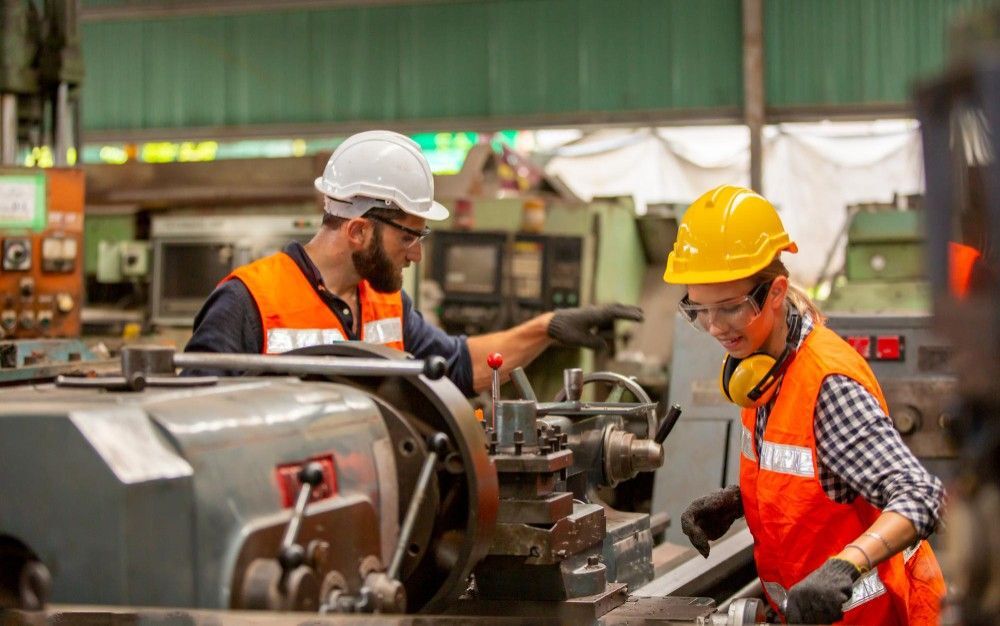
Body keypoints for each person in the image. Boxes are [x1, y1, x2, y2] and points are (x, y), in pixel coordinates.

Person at [663, 185, 946, 625]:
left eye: (731, 308)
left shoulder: (826, 382)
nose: (715, 327)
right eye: (698, 311)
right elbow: (813, 472)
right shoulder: (755, 371)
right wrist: (741, 501)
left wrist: (846, 564)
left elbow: (922, 495)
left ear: (776, 292)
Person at [184, 130, 642, 395]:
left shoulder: (385, 305)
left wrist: (547, 327)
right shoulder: (248, 301)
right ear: (358, 230)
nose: (417, 252)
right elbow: (188, 421)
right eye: (409, 235)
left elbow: (462, 367)